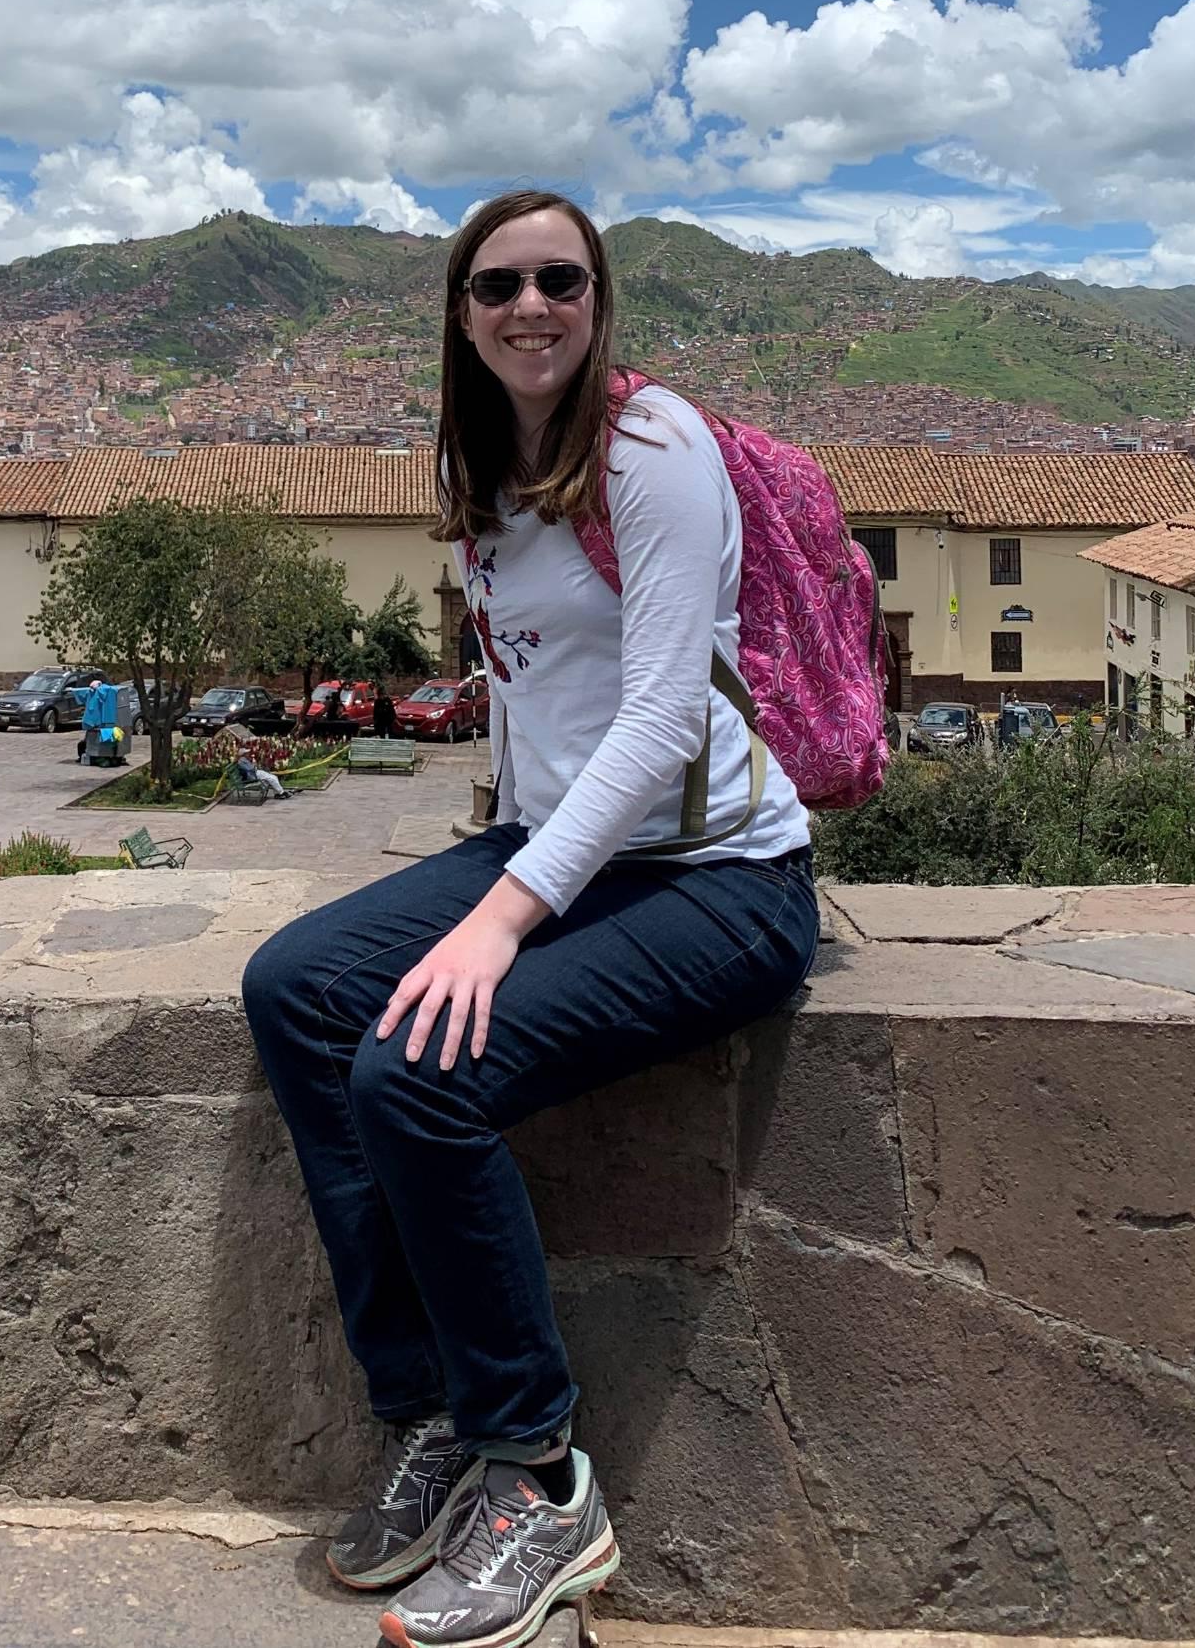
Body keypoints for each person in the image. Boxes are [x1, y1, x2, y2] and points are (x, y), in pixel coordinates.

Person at [243, 189, 818, 1648]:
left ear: (598, 294)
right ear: (461, 311)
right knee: (300, 987)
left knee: (417, 1071)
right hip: (568, 851)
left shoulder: (652, 446)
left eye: (559, 277)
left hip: (721, 881)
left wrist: (498, 917)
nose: (530, 304)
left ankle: (541, 1469)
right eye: (498, 283)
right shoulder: (493, 465)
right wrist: (496, 856)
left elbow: (664, 712)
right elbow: (533, 691)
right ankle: (430, 1410)